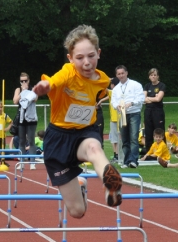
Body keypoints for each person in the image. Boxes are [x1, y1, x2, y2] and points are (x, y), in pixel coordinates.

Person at [32, 24, 123, 216]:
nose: (87, 63)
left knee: (94, 148)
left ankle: (111, 185)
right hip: (58, 139)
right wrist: (46, 86)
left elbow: (106, 85)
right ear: (70, 59)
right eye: (80, 58)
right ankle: (81, 188)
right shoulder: (68, 72)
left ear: (99, 53)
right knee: (77, 211)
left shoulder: (102, 79)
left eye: (91, 56)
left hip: (84, 133)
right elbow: (56, 79)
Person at [111, 65, 144, 168]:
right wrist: (117, 106)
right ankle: (126, 160)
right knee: (125, 138)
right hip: (122, 114)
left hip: (134, 113)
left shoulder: (135, 84)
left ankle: (134, 160)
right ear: (116, 75)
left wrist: (131, 103)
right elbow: (113, 101)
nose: (121, 75)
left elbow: (141, 98)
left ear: (126, 73)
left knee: (134, 137)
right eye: (119, 74)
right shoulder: (116, 89)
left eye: (122, 73)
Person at [13, 73, 39, 170]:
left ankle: (32, 162)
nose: (24, 82)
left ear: (29, 80)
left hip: (31, 117)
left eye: (25, 81)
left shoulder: (33, 89)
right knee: (21, 141)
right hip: (21, 118)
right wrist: (22, 92)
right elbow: (15, 101)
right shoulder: (18, 89)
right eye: (22, 81)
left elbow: (35, 99)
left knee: (31, 140)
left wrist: (27, 91)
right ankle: (22, 162)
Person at [143, 68, 166, 153]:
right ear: (149, 76)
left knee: (159, 131)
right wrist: (153, 97)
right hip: (148, 111)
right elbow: (143, 99)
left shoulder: (162, 86)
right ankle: (149, 152)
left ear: (158, 76)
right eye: (151, 75)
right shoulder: (147, 86)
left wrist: (149, 98)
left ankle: (162, 151)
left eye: (155, 75)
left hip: (158, 111)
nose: (153, 76)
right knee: (148, 132)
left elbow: (158, 99)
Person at [108, 78, 120, 163]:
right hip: (118, 117)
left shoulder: (112, 92)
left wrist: (108, 79)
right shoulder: (118, 92)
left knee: (114, 138)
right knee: (117, 138)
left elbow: (102, 86)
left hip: (115, 119)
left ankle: (117, 155)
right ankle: (117, 155)